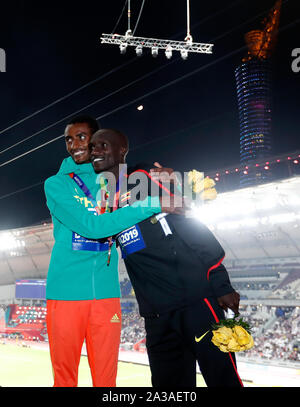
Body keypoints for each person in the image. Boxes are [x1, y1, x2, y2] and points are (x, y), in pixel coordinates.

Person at [89, 128, 243, 387]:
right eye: (93, 146)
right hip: (155, 317)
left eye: (103, 145)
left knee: (223, 380)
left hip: (195, 303)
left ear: (122, 149)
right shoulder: (106, 201)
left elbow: (189, 222)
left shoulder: (143, 177)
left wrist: (221, 282)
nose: (95, 150)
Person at [44, 115, 183, 387]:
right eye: (69, 140)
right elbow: (93, 227)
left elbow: (152, 183)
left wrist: (168, 182)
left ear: (97, 141)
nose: (74, 145)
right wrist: (154, 203)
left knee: (107, 380)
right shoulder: (56, 184)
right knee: (64, 380)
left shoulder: (114, 181)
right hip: (65, 293)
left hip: (107, 295)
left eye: (82, 137)